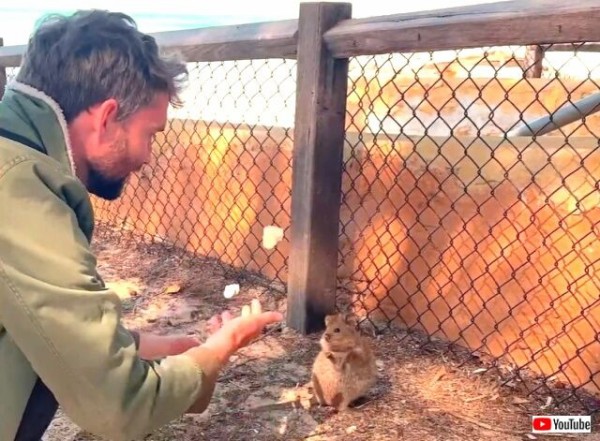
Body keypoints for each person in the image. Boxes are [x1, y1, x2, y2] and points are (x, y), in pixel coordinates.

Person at [0, 9, 283, 441]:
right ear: (107, 117)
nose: (147, 157)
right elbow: (118, 405)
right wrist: (216, 351)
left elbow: (29, 321)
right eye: (149, 134)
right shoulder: (20, 191)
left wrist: (150, 347)